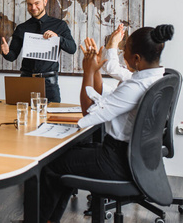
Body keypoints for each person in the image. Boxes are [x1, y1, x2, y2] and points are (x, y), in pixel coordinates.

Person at [38, 24, 174, 223]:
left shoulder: (135, 86)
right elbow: (107, 99)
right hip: (137, 160)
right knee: (74, 150)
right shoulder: (157, 79)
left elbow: (88, 115)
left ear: (136, 58)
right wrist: (96, 69)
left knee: (50, 162)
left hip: (118, 161)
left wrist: (88, 72)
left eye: (123, 50)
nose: (121, 53)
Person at [0, 0, 77, 102]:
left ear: (45, 2)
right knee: (23, 117)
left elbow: (72, 49)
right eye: (30, 4)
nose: (33, 8)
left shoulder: (60, 25)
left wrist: (58, 38)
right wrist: (6, 53)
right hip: (26, 81)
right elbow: (12, 56)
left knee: (51, 118)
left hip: (49, 83)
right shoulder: (22, 28)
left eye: (37, 3)